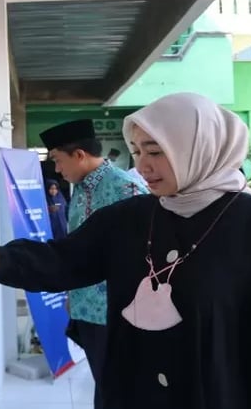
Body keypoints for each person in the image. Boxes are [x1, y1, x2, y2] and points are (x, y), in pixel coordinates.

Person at [0, 93, 251, 409]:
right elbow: (60, 261)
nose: (144, 165)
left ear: (198, 147)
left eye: (155, 151)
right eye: (137, 152)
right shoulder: (130, 218)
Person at [39, 119, 147, 408]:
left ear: (79, 155)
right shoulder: (81, 188)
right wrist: (73, 295)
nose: (57, 169)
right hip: (87, 309)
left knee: (120, 389)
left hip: (116, 311)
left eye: (57, 160)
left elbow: (144, 256)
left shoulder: (126, 189)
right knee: (105, 384)